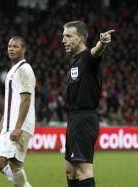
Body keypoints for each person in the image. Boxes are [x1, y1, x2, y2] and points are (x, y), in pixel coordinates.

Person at [62, 21, 114, 187]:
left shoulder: (87, 58)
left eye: (68, 36)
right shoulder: (75, 61)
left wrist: (102, 43)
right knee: (70, 169)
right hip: (74, 119)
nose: (63, 40)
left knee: (84, 169)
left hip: (84, 119)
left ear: (82, 39)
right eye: (63, 36)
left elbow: (96, 53)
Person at [0, 36, 36, 187]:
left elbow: (25, 100)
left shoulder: (25, 70)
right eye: (10, 46)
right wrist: (1, 124)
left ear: (24, 50)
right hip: (9, 124)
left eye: (16, 46)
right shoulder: (13, 70)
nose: (11, 49)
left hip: (20, 125)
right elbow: (12, 102)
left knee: (15, 164)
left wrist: (18, 127)